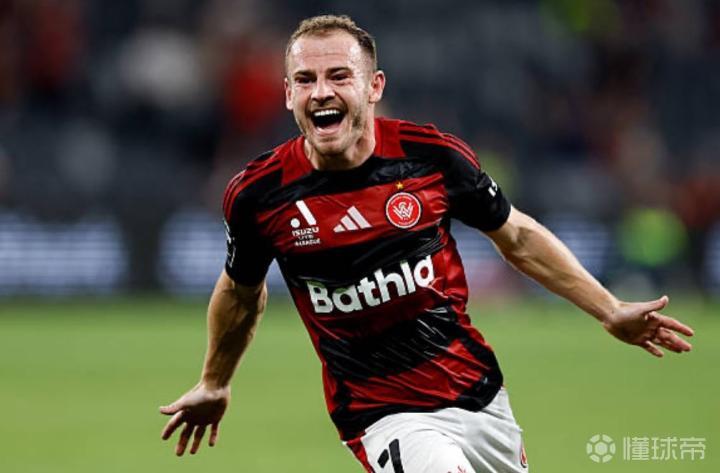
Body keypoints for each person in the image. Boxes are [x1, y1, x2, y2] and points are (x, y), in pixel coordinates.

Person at [160, 15, 694, 472]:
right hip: (382, 415)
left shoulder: (430, 158)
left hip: (480, 395)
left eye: (339, 76)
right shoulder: (260, 195)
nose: (321, 91)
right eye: (305, 79)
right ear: (288, 94)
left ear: (374, 87)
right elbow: (240, 292)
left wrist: (609, 309)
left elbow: (516, 236)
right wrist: (214, 381)